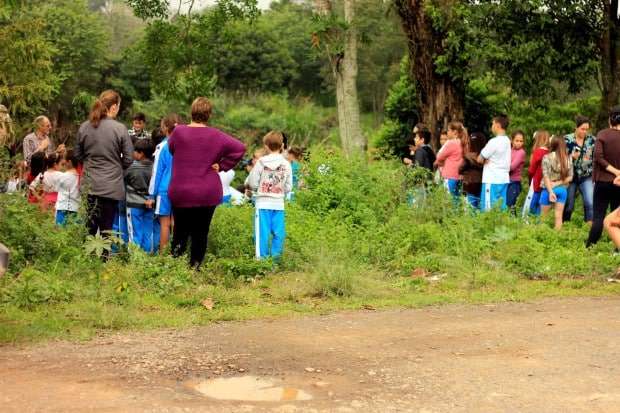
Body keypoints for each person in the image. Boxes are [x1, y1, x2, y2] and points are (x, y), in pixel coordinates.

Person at [167, 97, 245, 267]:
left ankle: (175, 268)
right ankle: (195, 268)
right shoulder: (217, 135)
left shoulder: (178, 132)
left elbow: (171, 149)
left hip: (181, 190)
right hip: (207, 191)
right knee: (200, 233)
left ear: (191, 112)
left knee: (180, 231)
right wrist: (223, 165)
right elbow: (240, 148)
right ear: (209, 114)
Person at [75, 90, 133, 238]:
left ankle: (87, 259)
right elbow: (128, 159)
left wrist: (90, 162)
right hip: (111, 186)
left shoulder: (85, 127)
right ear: (113, 107)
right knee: (107, 230)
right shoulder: (120, 129)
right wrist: (115, 165)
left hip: (89, 185)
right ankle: (105, 259)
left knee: (89, 228)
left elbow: (77, 155)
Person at [248, 131, 293, 260]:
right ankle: (275, 261)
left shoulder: (261, 162)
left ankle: (261, 261)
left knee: (262, 233)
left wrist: (258, 188)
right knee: (279, 233)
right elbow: (289, 187)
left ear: (266, 146)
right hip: (278, 204)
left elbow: (252, 183)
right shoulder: (286, 164)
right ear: (282, 145)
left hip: (262, 203)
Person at [586, 106, 620, 247]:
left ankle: (590, 245)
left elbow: (598, 157)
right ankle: (617, 249)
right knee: (616, 219)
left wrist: (614, 171)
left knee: (599, 216)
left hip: (602, 182)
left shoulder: (602, 134)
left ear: (609, 119)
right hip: (619, 184)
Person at [147, 114, 179, 253]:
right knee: (176, 222)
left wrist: (151, 195)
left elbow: (157, 172)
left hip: (165, 189)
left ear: (165, 128)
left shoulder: (162, 146)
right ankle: (176, 254)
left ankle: (162, 256)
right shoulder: (183, 144)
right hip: (180, 188)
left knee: (164, 224)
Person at [126, 139, 157, 253]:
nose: (133, 153)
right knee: (148, 231)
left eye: (135, 151)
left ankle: (135, 257)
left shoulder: (132, 168)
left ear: (141, 153)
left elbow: (124, 179)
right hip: (150, 205)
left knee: (134, 232)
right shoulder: (154, 168)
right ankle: (148, 254)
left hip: (134, 205)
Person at [563, 116, 595, 224]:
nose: (585, 131)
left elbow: (597, 157)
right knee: (569, 205)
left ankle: (589, 228)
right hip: (570, 176)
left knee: (589, 202)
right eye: (582, 129)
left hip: (587, 176)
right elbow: (558, 158)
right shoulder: (567, 139)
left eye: (587, 129)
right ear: (576, 128)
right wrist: (571, 158)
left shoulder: (592, 140)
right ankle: (565, 226)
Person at [478, 115, 511, 211]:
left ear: (497, 125)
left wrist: (484, 160)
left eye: (492, 124)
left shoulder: (493, 142)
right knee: (501, 207)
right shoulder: (507, 141)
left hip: (491, 179)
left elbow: (480, 158)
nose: (491, 126)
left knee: (488, 209)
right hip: (503, 179)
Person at [540, 136, 573, 230]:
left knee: (543, 218)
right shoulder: (568, 158)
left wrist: (551, 192)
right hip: (562, 190)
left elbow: (545, 177)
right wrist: (558, 183)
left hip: (548, 189)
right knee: (558, 217)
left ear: (552, 145)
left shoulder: (547, 157)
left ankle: (541, 239)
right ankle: (557, 237)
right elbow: (570, 177)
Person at [522, 130, 550, 217]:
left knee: (530, 203)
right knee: (540, 204)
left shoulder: (538, 152)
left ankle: (525, 221)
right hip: (546, 183)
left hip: (536, 182)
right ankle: (537, 224)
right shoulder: (549, 152)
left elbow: (531, 170)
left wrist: (530, 180)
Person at [435, 122, 465, 200]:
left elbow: (439, 157)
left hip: (449, 176)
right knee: (457, 200)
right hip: (460, 176)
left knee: (448, 201)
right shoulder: (463, 142)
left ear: (454, 132)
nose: (447, 132)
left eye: (448, 130)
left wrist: (441, 163)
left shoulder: (451, 143)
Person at [460, 132, 487, 209]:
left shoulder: (468, 156)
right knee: (480, 204)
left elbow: (461, 168)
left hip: (469, 184)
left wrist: (461, 171)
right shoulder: (485, 156)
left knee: (470, 205)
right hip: (482, 182)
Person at [54, 150, 80, 226]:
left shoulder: (62, 176)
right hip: (76, 209)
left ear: (69, 162)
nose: (64, 162)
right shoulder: (80, 177)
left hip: (62, 208)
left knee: (60, 234)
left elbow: (54, 188)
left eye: (65, 160)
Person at [506, 130, 526, 212]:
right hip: (507, 181)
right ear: (512, 140)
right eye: (517, 141)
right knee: (506, 204)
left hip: (514, 183)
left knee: (511, 205)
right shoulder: (509, 150)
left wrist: (500, 168)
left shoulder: (521, 152)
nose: (519, 143)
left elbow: (512, 167)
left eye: (521, 141)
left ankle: (514, 223)